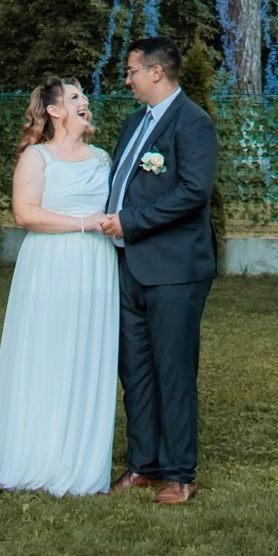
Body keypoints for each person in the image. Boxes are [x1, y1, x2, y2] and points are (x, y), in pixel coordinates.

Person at [0, 76, 118, 496]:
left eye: (85, 97)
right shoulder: (36, 158)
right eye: (76, 98)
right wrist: (82, 223)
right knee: (46, 354)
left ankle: (79, 459)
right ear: (55, 110)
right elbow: (25, 214)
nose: (85, 103)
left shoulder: (103, 158)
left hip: (96, 268)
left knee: (86, 356)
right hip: (49, 266)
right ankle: (33, 453)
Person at [101, 33, 219, 507]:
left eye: (131, 71)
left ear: (156, 71)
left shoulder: (193, 123)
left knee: (173, 371)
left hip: (174, 270)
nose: (126, 80)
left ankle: (180, 473)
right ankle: (143, 466)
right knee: (136, 371)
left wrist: (129, 221)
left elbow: (193, 192)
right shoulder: (134, 123)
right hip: (129, 265)